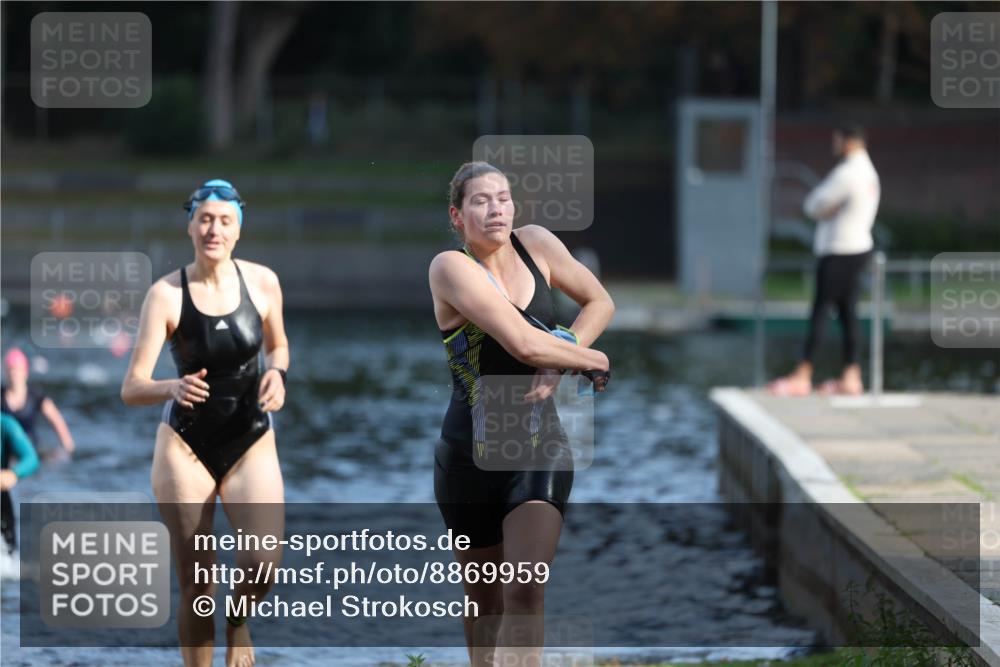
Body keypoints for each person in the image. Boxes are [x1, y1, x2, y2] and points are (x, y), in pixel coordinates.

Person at [429, 161, 614, 666]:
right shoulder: (450, 268)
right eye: (481, 201)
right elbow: (520, 341)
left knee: (526, 589)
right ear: (457, 215)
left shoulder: (537, 244)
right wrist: (587, 358)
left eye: (503, 198)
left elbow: (599, 301)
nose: (496, 209)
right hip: (468, 454)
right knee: (485, 602)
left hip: (539, 447)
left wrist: (566, 345)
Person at [121, 179, 289, 667]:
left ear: (238, 230)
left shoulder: (262, 282)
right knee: (197, 581)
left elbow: (278, 345)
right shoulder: (166, 294)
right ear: (190, 225)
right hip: (184, 444)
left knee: (262, 562)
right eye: (205, 219)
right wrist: (170, 387)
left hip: (251, 436)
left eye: (225, 221)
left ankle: (237, 622)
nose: (214, 229)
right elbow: (132, 386)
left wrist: (277, 372)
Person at [768, 124, 881, 396]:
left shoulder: (847, 173)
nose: (834, 142)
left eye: (838, 138)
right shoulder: (869, 173)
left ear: (849, 142)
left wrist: (825, 209)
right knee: (847, 314)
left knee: (821, 311)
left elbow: (812, 205)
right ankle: (851, 376)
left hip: (839, 249)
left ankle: (802, 375)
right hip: (858, 247)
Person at [2, 347, 75, 458]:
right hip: (7, 451)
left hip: (31, 449)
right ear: (6, 372)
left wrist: (68, 445)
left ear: (25, 371)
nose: (14, 374)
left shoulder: (35, 396)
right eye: (11, 369)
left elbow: (56, 419)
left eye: (17, 369)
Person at [1, 412, 39, 556]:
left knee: (8, 557)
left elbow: (31, 458)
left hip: (1, 503)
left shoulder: (5, 424)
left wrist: (13, 474)